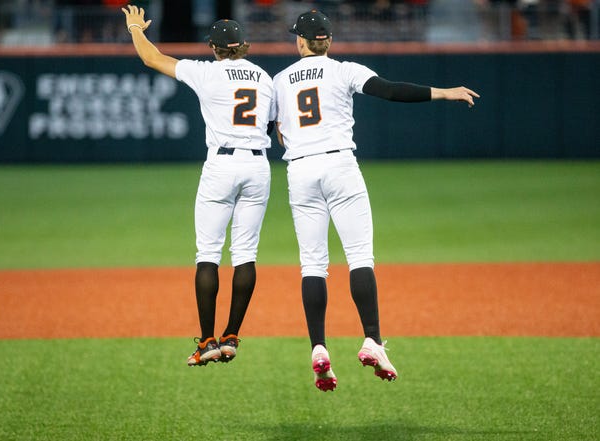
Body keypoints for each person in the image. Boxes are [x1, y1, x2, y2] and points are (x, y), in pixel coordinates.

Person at [273, 9, 479, 392]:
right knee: (359, 257)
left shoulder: (280, 80)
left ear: (300, 42)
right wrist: (443, 92)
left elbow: (273, 126)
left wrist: (279, 131)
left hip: (300, 172)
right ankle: (371, 338)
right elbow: (390, 89)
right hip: (339, 165)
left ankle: (318, 347)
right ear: (329, 42)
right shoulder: (344, 70)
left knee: (313, 265)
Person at [122, 5, 275, 366]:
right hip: (257, 164)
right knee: (245, 254)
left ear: (214, 48)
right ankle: (232, 335)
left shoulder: (207, 72)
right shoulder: (264, 78)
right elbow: (271, 125)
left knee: (208, 254)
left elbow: (151, 57)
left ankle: (207, 340)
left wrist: (134, 29)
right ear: (244, 46)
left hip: (221, 164)